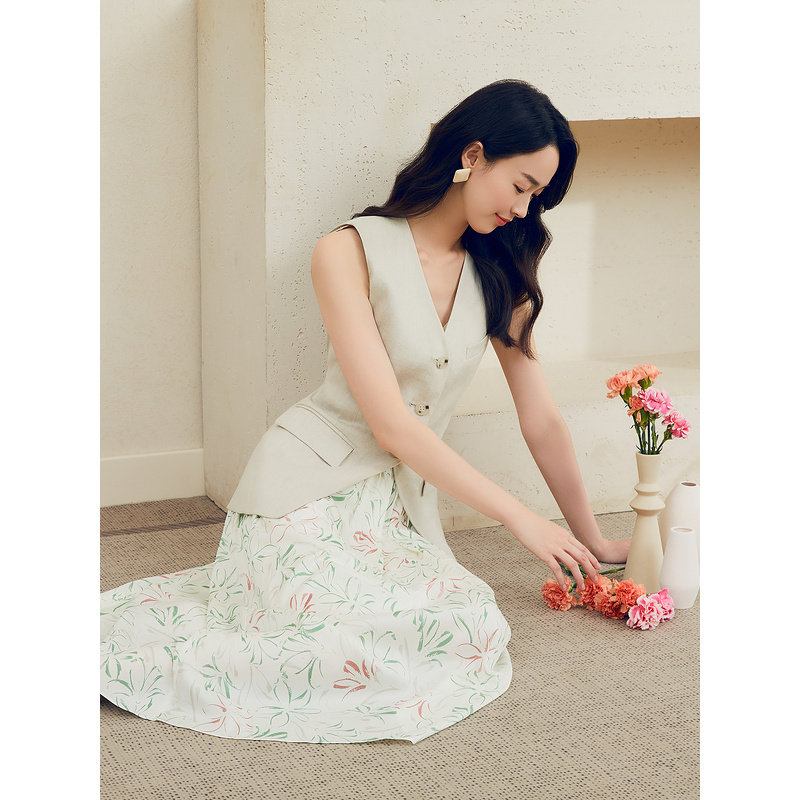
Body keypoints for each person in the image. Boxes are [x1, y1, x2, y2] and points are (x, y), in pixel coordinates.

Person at [100, 78, 630, 745]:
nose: (524, 210)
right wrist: (521, 517)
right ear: (473, 155)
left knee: (462, 624)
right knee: (323, 643)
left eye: (537, 198)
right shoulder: (347, 250)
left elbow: (542, 418)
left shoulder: (502, 274)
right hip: (306, 484)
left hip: (396, 506)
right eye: (521, 186)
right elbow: (391, 425)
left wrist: (591, 539)